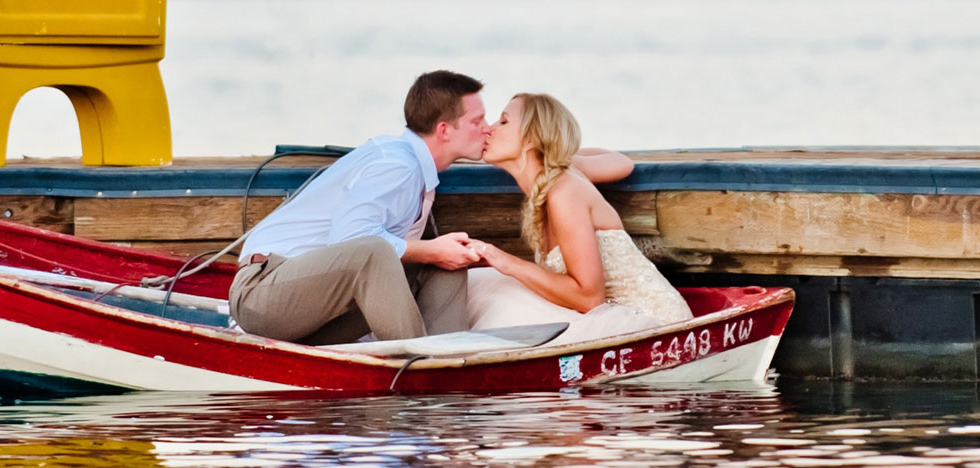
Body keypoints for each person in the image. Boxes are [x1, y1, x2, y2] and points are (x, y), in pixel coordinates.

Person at [230, 70, 490, 345]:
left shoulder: (411, 165)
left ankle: (448, 362)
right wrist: (430, 250)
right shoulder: (398, 165)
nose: (488, 127)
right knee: (378, 252)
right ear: (444, 130)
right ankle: (421, 368)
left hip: (319, 310)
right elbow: (353, 240)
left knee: (445, 264)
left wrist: (437, 255)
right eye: (477, 121)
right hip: (263, 296)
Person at [464, 93, 693, 345]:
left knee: (493, 288)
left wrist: (504, 261)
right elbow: (622, 163)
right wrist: (557, 155)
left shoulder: (564, 193)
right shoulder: (566, 172)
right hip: (605, 316)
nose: (489, 129)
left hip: (654, 328)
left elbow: (588, 298)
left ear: (531, 138)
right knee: (483, 283)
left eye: (503, 122)